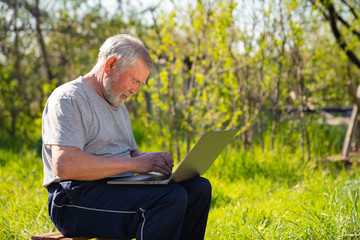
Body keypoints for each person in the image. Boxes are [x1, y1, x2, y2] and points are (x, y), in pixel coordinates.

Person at [41, 33, 212, 240]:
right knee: (169, 199)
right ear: (111, 64)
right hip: (72, 199)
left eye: (140, 84)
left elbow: (130, 154)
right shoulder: (69, 98)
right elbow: (65, 165)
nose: (135, 90)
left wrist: (152, 161)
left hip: (116, 187)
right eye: (134, 80)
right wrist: (134, 165)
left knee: (198, 188)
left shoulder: (118, 104)